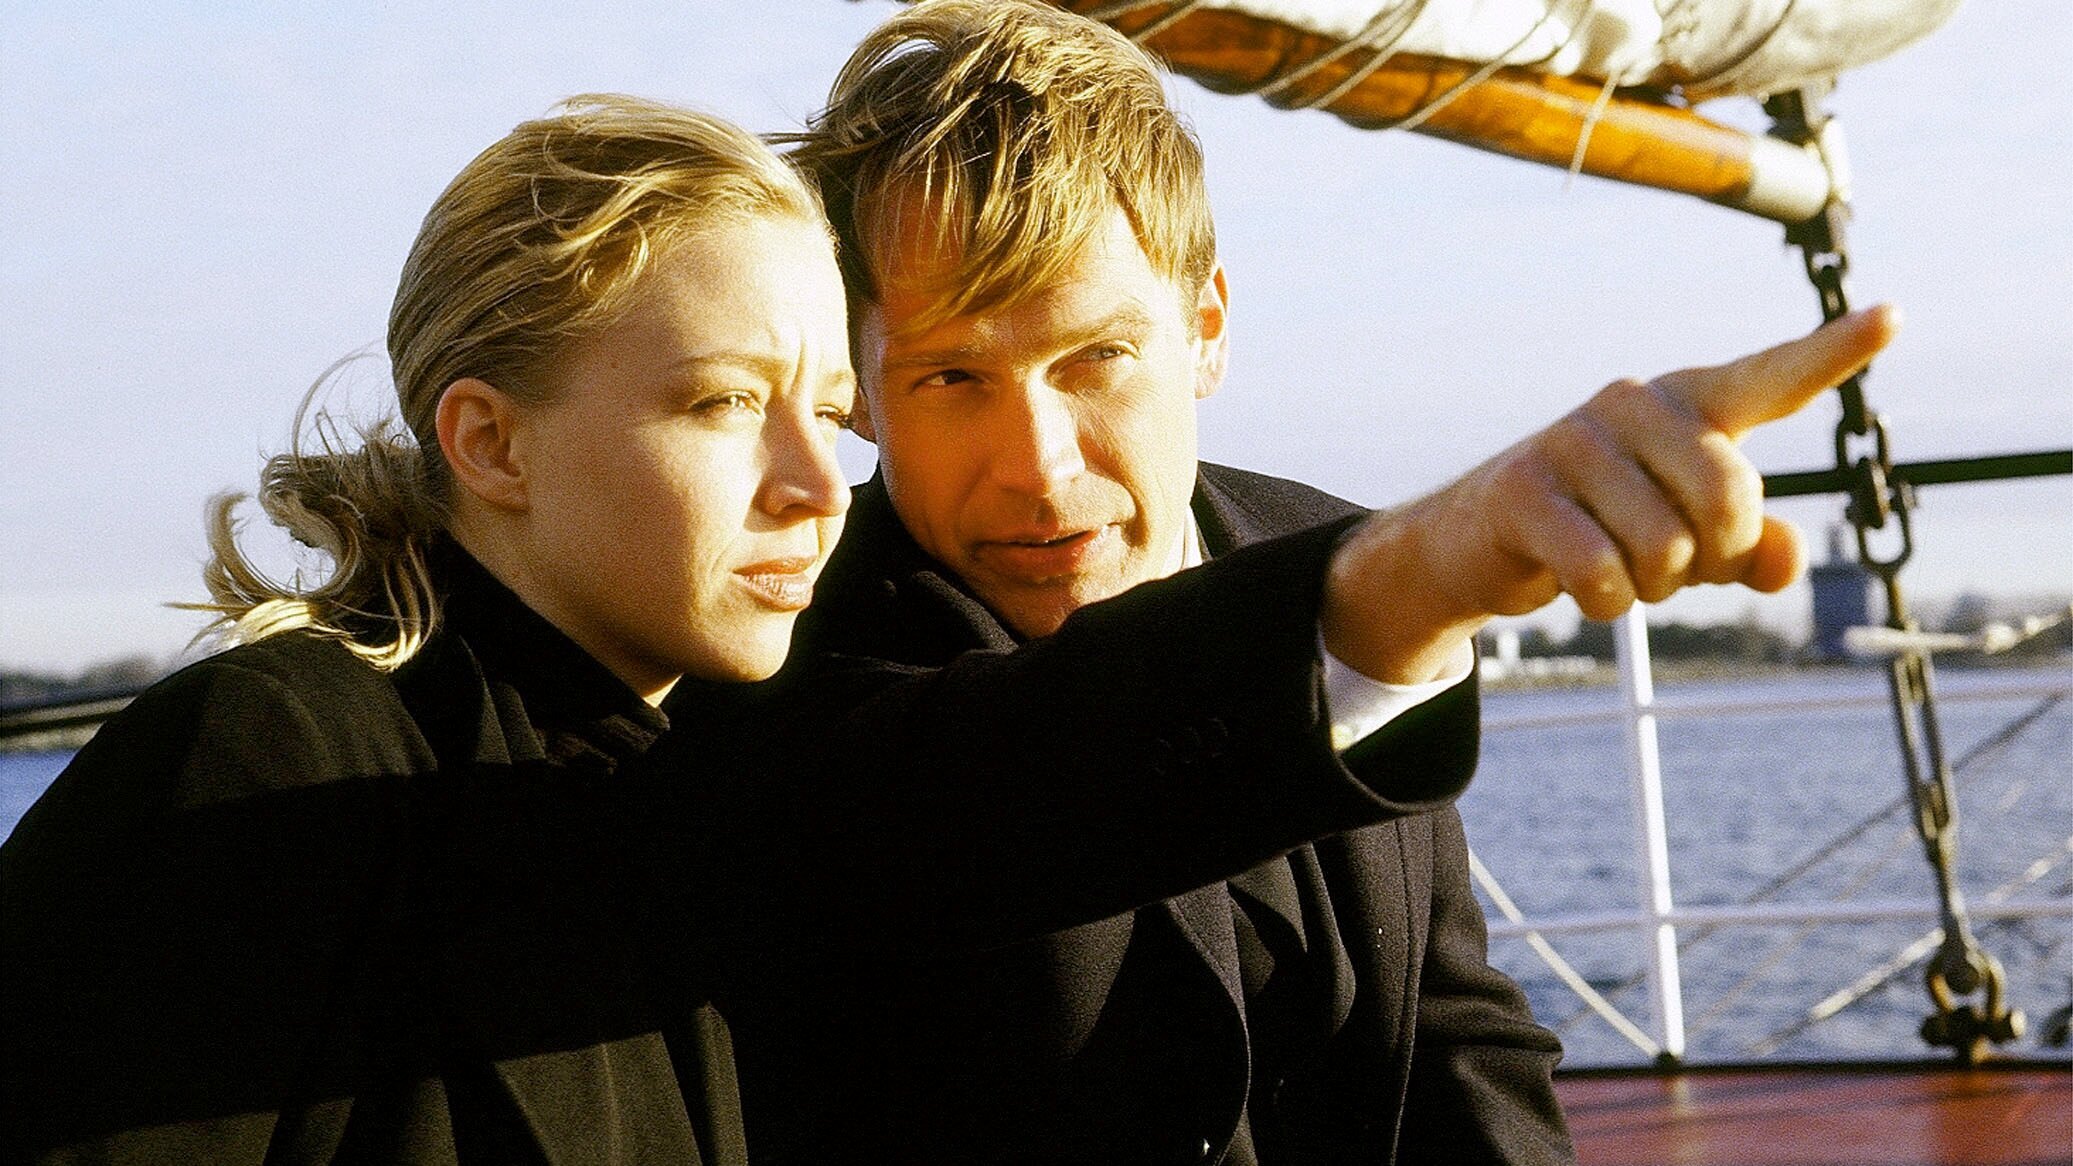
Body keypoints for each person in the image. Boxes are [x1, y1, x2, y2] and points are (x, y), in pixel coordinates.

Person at [0, 93, 1556, 1163]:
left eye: (825, 407)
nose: (818, 484)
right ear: (489, 440)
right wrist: (1422, 577)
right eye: (723, 404)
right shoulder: (271, 755)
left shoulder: (645, 767)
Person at [726, 1, 1897, 1162]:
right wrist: (1416, 578)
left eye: (1097, 357)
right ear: (859, 390)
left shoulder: (1323, 540)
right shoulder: (780, 649)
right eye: (950, 378)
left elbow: (1449, 1029)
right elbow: (983, 789)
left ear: (1206, 327)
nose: (1038, 466)